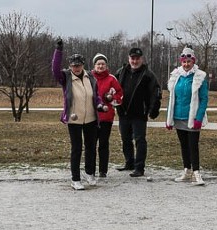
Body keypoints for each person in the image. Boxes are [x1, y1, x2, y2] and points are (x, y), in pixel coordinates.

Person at [52, 39, 105, 190]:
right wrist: (59, 51)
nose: (76, 68)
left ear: (83, 65)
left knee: (91, 147)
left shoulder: (90, 77)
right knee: (76, 148)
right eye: (74, 65)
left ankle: (90, 173)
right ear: (70, 66)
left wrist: (100, 104)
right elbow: (54, 70)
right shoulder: (66, 77)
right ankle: (75, 179)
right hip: (74, 119)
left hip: (90, 119)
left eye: (79, 65)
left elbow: (96, 95)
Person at [165, 46, 209, 186]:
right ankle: (186, 170)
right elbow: (172, 98)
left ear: (193, 62)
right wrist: (169, 119)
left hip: (192, 117)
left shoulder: (199, 77)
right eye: (184, 62)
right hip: (179, 116)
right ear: (181, 62)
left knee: (193, 145)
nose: (186, 64)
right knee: (184, 145)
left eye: (189, 61)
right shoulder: (176, 76)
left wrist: (199, 118)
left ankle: (196, 172)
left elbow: (203, 99)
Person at [115, 47, 162, 177]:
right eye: (132, 58)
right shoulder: (121, 72)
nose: (135, 61)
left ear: (142, 59)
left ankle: (139, 167)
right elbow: (113, 89)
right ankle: (129, 162)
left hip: (139, 114)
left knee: (140, 140)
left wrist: (153, 110)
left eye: (137, 58)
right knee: (125, 139)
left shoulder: (148, 75)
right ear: (128, 59)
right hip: (123, 113)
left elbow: (155, 94)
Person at [90, 54, 123, 180]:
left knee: (103, 144)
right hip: (91, 117)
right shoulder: (89, 77)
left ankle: (103, 170)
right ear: (94, 65)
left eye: (103, 64)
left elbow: (120, 94)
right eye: (98, 64)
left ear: (106, 65)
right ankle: (90, 170)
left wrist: (111, 98)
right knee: (91, 144)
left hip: (106, 117)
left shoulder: (111, 79)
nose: (100, 66)